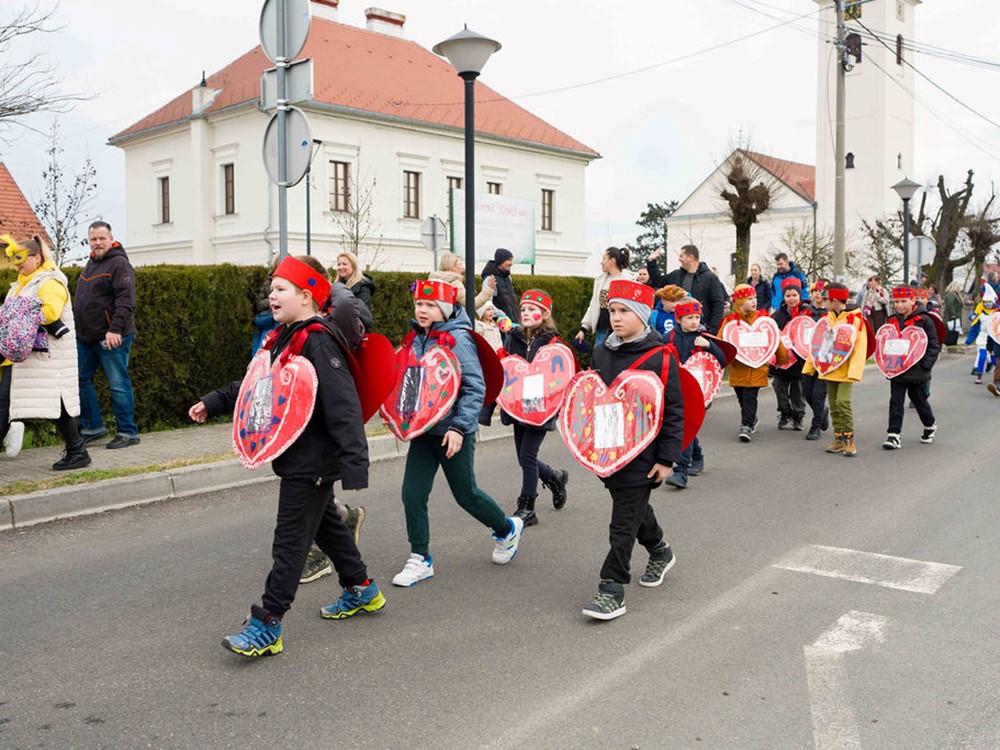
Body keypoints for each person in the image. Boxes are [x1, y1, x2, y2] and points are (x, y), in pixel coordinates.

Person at [189, 255, 382, 658]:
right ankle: (362, 589)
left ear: (306, 296)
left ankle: (268, 623)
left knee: (290, 541)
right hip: (297, 455)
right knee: (326, 525)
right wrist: (214, 402)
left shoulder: (318, 339)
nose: (270, 296)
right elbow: (254, 384)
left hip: (313, 460)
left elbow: (343, 403)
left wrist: (354, 462)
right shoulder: (282, 337)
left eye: (280, 289)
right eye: (270, 289)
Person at [391, 279, 524, 587]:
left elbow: (474, 387)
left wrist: (459, 428)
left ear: (446, 308)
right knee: (412, 493)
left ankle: (506, 529)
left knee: (466, 495)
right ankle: (420, 558)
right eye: (419, 304)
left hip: (453, 431)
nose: (422, 310)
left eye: (430, 305)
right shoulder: (415, 338)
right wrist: (400, 417)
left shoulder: (459, 339)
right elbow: (410, 380)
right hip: (424, 432)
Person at [581, 279, 683, 620]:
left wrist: (667, 459)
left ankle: (612, 588)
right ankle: (659, 550)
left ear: (643, 314)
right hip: (610, 450)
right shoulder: (601, 352)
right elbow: (594, 398)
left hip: (645, 452)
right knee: (632, 506)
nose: (616, 317)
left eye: (625, 311)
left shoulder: (661, 356)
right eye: (612, 310)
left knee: (622, 521)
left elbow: (673, 411)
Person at [1, 235, 90, 470]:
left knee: (57, 405)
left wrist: (16, 311)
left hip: (49, 357)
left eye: (20, 259)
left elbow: (50, 313)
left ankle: (77, 451)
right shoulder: (24, 283)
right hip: (26, 355)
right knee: (8, 401)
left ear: (37, 257)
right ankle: (77, 450)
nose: (16, 264)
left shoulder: (49, 281)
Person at [500, 290, 570, 527]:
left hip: (540, 405)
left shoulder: (553, 341)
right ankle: (554, 477)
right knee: (523, 457)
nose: (526, 313)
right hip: (519, 404)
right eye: (523, 309)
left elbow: (560, 374)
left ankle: (527, 507)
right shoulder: (514, 338)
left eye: (532, 309)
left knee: (528, 455)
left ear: (545, 313)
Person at [74, 221, 139, 449]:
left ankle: (128, 432)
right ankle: (93, 427)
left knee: (118, 384)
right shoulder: (91, 264)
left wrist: (115, 329)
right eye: (93, 239)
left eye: (102, 238)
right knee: (79, 378)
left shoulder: (119, 264)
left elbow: (126, 300)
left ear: (111, 239)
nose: (98, 242)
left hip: (112, 337)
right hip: (86, 338)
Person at [663, 298, 726, 489]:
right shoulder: (668, 337)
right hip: (676, 389)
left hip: (699, 392)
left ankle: (681, 471)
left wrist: (709, 346)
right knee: (686, 426)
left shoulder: (704, 337)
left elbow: (722, 360)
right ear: (679, 318)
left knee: (686, 426)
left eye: (697, 317)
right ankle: (696, 457)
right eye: (689, 317)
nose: (694, 321)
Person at [719, 284, 788, 442]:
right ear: (740, 301)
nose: (754, 301)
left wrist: (781, 358)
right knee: (742, 396)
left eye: (755, 298)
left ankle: (746, 425)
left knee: (750, 397)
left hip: (758, 366)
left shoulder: (764, 319)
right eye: (750, 298)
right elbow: (722, 340)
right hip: (738, 366)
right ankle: (751, 418)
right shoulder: (730, 322)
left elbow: (775, 339)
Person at [881, 286, 940, 450]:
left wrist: (925, 366)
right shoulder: (892, 321)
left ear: (913, 301)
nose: (899, 305)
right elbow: (885, 343)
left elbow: (933, 346)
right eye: (896, 301)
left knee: (919, 401)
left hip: (917, 371)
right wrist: (886, 364)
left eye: (903, 301)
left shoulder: (925, 321)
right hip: (897, 370)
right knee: (896, 402)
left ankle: (930, 425)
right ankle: (893, 435)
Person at [818, 282, 868, 457]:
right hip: (830, 368)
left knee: (842, 402)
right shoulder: (828, 318)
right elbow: (819, 343)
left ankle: (849, 439)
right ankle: (838, 438)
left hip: (846, 369)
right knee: (833, 403)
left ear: (834, 300)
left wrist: (855, 371)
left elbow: (860, 347)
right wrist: (813, 365)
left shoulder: (855, 320)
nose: (822, 301)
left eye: (825, 299)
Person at [647, 245, 728, 333]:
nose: (679, 259)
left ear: (691, 257)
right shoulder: (676, 275)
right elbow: (658, 281)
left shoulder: (710, 278)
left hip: (701, 330)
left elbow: (718, 305)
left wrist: (712, 330)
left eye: (681, 256)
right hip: (677, 331)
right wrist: (652, 262)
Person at [575, 246, 634, 348]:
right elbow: (593, 305)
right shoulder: (600, 281)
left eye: (604, 259)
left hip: (621, 330)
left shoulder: (628, 280)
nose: (601, 262)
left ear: (612, 260)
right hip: (602, 329)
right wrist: (583, 329)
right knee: (599, 359)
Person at [771, 278, 808, 431]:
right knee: (778, 385)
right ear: (784, 297)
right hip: (782, 358)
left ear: (799, 296)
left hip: (799, 359)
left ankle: (798, 416)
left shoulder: (806, 313)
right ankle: (785, 412)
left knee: (797, 389)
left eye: (794, 295)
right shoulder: (777, 316)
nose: (791, 299)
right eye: (788, 295)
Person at [800, 279, 831, 441]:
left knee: (818, 393)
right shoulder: (805, 313)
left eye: (821, 291)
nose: (818, 294)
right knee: (807, 392)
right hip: (808, 358)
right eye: (815, 291)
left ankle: (816, 425)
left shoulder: (832, 314)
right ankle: (822, 412)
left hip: (825, 360)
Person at [480, 248, 520, 325]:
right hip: (500, 325)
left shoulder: (508, 277)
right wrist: (503, 316)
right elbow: (487, 304)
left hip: (513, 323)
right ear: (500, 261)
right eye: (509, 260)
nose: (511, 263)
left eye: (512, 260)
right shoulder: (490, 279)